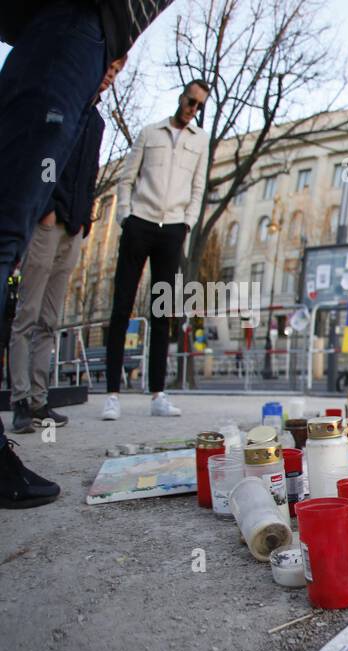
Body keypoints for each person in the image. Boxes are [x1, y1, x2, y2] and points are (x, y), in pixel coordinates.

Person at [10, 56, 126, 434]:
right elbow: (44, 157)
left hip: (74, 227)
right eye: (107, 67)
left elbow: (90, 174)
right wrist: (43, 206)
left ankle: (40, 400)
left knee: (50, 319)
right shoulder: (62, 103)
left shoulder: (96, 121)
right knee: (27, 315)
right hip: (47, 222)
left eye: (115, 71)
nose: (109, 76)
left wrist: (86, 219)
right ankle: (20, 401)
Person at [102, 78, 210, 421]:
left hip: (172, 230)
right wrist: (125, 218)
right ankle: (112, 395)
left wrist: (187, 225)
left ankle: (158, 394)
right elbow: (126, 179)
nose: (193, 110)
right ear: (181, 98)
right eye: (190, 102)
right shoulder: (150, 133)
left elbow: (198, 187)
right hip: (140, 223)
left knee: (162, 314)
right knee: (122, 307)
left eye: (199, 106)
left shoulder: (201, 142)